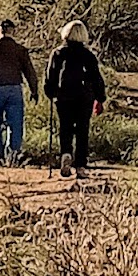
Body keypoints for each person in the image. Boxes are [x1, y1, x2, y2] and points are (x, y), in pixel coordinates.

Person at [44, 20, 107, 178]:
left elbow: (50, 76)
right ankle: (80, 165)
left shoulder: (58, 53)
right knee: (82, 130)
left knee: (65, 127)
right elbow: (96, 78)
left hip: (63, 96)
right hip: (84, 97)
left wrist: (50, 92)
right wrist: (100, 98)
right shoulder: (88, 55)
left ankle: (65, 154)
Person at [0, 19, 39, 167]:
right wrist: (34, 90)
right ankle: (13, 155)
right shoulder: (20, 49)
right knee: (15, 123)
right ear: (13, 31)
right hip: (14, 88)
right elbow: (29, 72)